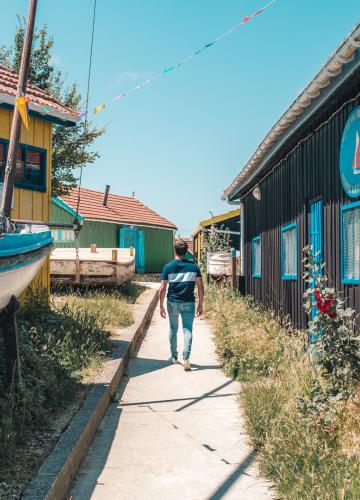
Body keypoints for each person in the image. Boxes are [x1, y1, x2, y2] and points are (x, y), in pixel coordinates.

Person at [160, 238, 204, 371]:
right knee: (188, 330)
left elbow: (162, 288)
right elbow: (201, 287)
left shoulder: (168, 267)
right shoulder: (194, 267)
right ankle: (186, 359)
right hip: (189, 302)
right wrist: (200, 304)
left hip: (172, 302)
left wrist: (161, 305)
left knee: (173, 329)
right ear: (186, 251)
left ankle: (174, 357)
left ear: (175, 250)